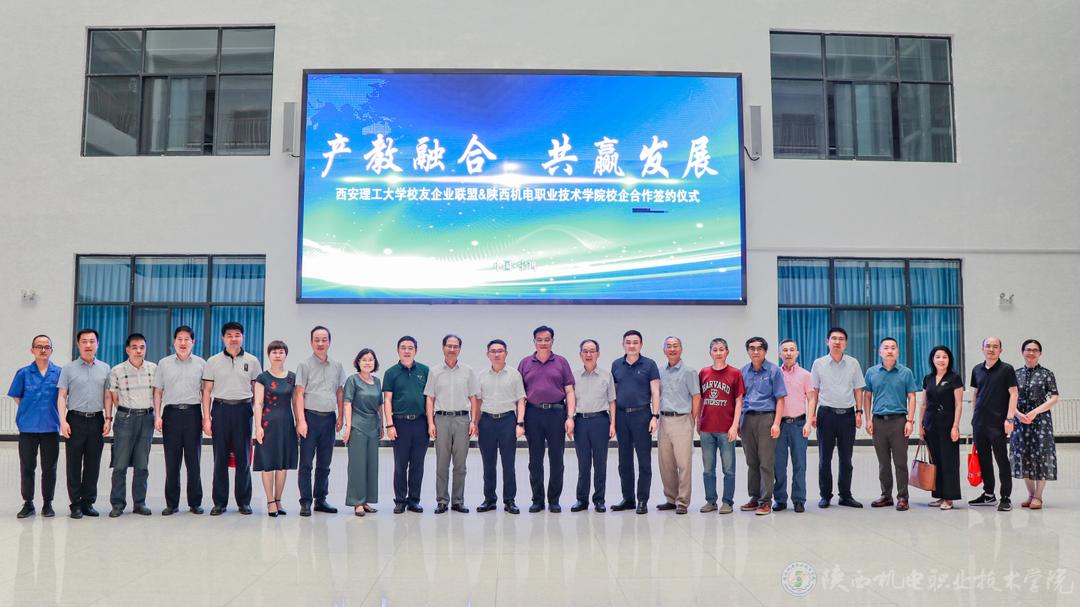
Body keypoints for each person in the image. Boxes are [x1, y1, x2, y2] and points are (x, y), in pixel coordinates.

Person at [202, 321, 261, 516]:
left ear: (243, 337)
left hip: (243, 411)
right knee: (220, 458)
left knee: (243, 458)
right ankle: (219, 503)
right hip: (220, 410)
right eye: (229, 335)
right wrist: (206, 418)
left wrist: (252, 410)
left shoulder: (252, 361)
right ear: (223, 338)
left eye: (237, 335)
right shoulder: (213, 361)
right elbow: (206, 391)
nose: (233, 338)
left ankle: (244, 502)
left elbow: (257, 391)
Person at [518, 325, 576, 513]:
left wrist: (570, 417)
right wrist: (520, 421)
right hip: (533, 414)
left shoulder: (561, 362)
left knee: (556, 459)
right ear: (534, 341)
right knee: (535, 460)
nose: (543, 343)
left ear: (552, 341)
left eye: (547, 339)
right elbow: (520, 395)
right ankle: (537, 500)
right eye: (539, 340)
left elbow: (569, 391)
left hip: (556, 413)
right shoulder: (525, 363)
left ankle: (554, 500)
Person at [153, 325, 207, 515]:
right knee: (172, 462)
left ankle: (195, 503)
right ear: (174, 342)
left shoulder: (201, 364)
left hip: (193, 414)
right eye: (179, 339)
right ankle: (172, 503)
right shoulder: (164, 364)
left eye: (187, 339)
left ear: (193, 342)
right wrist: (157, 415)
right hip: (171, 415)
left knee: (194, 462)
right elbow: (157, 391)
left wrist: (206, 417)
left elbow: (205, 393)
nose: (183, 343)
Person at [57, 329, 110, 519]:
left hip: (96, 420)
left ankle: (88, 502)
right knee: (73, 463)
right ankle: (75, 504)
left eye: (92, 341)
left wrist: (108, 418)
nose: (88, 345)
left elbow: (107, 395)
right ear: (78, 344)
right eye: (84, 341)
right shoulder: (68, 369)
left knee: (92, 464)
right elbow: (62, 396)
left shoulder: (105, 368)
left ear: (97, 344)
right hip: (75, 419)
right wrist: (63, 421)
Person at [810, 327, 865, 509]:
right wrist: (812, 415)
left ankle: (845, 495)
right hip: (825, 415)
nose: (837, 342)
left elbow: (858, 389)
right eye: (834, 338)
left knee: (846, 459)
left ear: (846, 343)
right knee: (824, 459)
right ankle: (825, 495)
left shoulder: (853, 363)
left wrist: (859, 412)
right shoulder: (818, 363)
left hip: (847, 416)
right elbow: (814, 392)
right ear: (827, 341)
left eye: (841, 339)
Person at [7, 335, 61, 518]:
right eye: (39, 346)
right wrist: (28, 410)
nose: (43, 350)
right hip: (28, 428)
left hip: (51, 427)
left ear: (51, 350)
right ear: (32, 350)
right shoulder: (23, 373)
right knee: (27, 467)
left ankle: (47, 503)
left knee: (49, 468)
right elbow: (17, 395)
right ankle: (28, 503)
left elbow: (63, 397)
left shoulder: (59, 373)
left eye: (47, 347)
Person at [294, 326, 346, 516]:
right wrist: (301, 421)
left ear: (329, 342)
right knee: (306, 463)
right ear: (311, 342)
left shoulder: (337, 366)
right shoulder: (304, 365)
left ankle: (320, 500)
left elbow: (339, 392)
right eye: (317, 340)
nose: (320, 343)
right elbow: (299, 394)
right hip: (310, 418)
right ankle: (305, 501)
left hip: (329, 419)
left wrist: (341, 416)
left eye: (324, 339)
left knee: (325, 463)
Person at [425, 334, 479, 513]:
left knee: (460, 464)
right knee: (442, 463)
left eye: (455, 346)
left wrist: (473, 421)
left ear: (459, 349)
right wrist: (431, 423)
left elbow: (473, 398)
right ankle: (442, 500)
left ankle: (457, 501)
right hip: (441, 419)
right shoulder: (434, 371)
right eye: (449, 346)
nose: (452, 349)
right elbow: (430, 398)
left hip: (462, 420)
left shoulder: (468, 371)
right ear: (443, 348)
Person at [862, 337, 918, 512]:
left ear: (898, 352)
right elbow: (867, 396)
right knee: (883, 463)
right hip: (878, 422)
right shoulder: (871, 372)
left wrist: (910, 421)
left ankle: (903, 497)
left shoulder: (906, 373)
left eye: (893, 347)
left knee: (900, 462)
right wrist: (868, 419)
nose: (889, 351)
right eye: (886, 348)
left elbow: (912, 396)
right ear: (880, 352)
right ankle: (886, 495)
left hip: (899, 422)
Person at [106, 333, 157, 517]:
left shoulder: (153, 369)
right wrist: (121, 413)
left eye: (142, 347)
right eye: (134, 347)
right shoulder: (117, 370)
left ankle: (140, 503)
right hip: (125, 418)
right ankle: (117, 504)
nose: (138, 351)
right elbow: (113, 396)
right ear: (127, 349)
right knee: (120, 464)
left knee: (142, 465)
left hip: (147, 419)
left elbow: (158, 394)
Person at [611, 330, 660, 515]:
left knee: (644, 461)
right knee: (624, 461)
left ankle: (642, 499)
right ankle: (628, 499)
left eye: (635, 342)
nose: (632, 346)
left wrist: (654, 416)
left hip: (642, 416)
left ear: (641, 344)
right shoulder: (616, 365)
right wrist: (613, 420)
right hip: (622, 416)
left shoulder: (649, 364)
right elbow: (614, 393)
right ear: (623, 344)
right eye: (628, 342)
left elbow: (655, 392)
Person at [474, 339, 526, 514]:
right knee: (488, 463)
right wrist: (475, 423)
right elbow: (478, 402)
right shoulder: (481, 376)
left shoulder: (514, 374)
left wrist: (520, 423)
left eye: (500, 351)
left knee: (508, 463)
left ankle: (509, 500)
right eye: (493, 351)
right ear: (488, 354)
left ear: (506, 353)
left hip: (507, 421)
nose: (497, 354)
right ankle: (489, 500)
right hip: (487, 422)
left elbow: (521, 400)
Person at [968, 336, 1019, 511]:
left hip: (998, 424)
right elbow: (976, 394)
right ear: (982, 349)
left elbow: (1014, 394)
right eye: (988, 346)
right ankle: (989, 495)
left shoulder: (1007, 369)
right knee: (984, 460)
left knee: (1002, 460)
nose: (991, 349)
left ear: (1000, 350)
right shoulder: (977, 369)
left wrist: (1010, 418)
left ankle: (1005, 497)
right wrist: (974, 416)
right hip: (979, 423)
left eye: (995, 346)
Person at [739, 337, 786, 516]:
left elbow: (780, 399)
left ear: (765, 351)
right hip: (747, 419)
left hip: (767, 418)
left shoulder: (774, 371)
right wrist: (738, 422)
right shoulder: (743, 371)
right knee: (752, 462)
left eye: (759, 348)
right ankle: (754, 497)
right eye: (752, 348)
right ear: (748, 351)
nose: (755, 351)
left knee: (766, 462)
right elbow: (740, 399)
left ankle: (765, 501)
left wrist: (776, 423)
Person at [383, 336, 429, 514]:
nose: (407, 351)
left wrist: (431, 423)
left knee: (417, 465)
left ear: (416, 350)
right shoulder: (391, 373)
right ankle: (400, 500)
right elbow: (387, 400)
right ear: (398, 350)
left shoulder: (424, 371)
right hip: (400, 423)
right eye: (403, 347)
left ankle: (414, 500)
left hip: (421, 423)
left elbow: (429, 399)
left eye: (410, 348)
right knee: (400, 464)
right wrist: (390, 425)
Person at [698, 338, 744, 515]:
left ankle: (727, 502)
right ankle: (710, 501)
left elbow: (739, 401)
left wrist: (734, 425)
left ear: (727, 352)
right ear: (710, 352)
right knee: (708, 470)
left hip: (726, 429)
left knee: (728, 469)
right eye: (715, 350)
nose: (718, 352)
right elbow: (700, 399)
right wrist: (698, 421)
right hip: (707, 429)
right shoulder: (704, 372)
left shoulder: (735, 373)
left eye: (721, 349)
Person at [253, 340, 299, 517]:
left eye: (281, 352)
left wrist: (298, 422)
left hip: (286, 424)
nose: (278, 355)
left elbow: (295, 403)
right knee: (268, 463)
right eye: (274, 352)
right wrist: (258, 426)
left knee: (282, 465)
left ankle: (278, 499)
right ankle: (270, 500)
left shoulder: (292, 377)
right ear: (269, 355)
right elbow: (258, 403)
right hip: (268, 424)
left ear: (285, 355)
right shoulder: (263, 378)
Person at [1011, 339, 1059, 509]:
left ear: (1040, 353)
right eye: (1028, 349)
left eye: (1035, 350)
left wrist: (1034, 412)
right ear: (1022, 352)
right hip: (1020, 420)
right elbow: (1009, 398)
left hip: (1041, 421)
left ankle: (1038, 496)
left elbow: (1054, 397)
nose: (1031, 353)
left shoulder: (1047, 374)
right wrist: (1018, 414)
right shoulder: (1015, 374)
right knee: (1024, 455)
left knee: (1041, 456)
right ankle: (1030, 495)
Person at [656, 337, 701, 515]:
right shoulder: (659, 372)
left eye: (675, 346)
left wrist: (692, 419)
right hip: (664, 420)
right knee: (665, 463)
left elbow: (696, 397)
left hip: (682, 419)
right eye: (668, 346)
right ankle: (670, 498)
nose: (672, 349)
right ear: (664, 350)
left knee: (683, 463)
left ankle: (682, 501)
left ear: (681, 349)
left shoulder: (689, 372)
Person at [571, 339, 616, 513]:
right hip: (580, 422)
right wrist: (570, 420)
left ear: (598, 354)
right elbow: (570, 401)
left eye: (592, 351)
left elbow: (612, 401)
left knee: (600, 463)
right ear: (580, 354)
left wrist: (613, 424)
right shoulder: (573, 376)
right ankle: (581, 500)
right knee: (583, 463)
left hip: (600, 421)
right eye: (585, 351)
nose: (588, 354)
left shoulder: (606, 375)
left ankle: (599, 500)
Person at [917, 345, 963, 510]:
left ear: (949, 359)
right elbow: (924, 404)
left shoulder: (954, 378)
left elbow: (958, 404)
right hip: (931, 424)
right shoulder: (928, 378)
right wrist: (921, 426)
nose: (941, 360)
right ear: (932, 359)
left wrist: (955, 426)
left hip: (947, 424)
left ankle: (949, 497)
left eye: (944, 357)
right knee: (935, 461)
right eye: (938, 357)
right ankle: (939, 495)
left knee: (949, 461)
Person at [774, 339, 815, 513]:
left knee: (800, 464)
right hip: (780, 425)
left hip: (799, 424)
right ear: (780, 354)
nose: (788, 353)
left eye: (792, 350)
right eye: (785, 350)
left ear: (797, 353)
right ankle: (780, 499)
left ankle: (799, 499)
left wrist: (809, 422)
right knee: (779, 464)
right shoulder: (775, 374)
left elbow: (812, 399)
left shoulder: (805, 375)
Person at [343, 349, 383, 516]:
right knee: (357, 466)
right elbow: (347, 403)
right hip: (358, 427)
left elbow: (380, 405)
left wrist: (382, 425)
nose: (367, 362)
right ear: (358, 362)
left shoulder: (377, 381)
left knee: (371, 466)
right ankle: (357, 502)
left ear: (375, 363)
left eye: (371, 360)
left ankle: (366, 500)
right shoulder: (353, 380)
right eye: (364, 359)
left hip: (373, 427)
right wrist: (348, 427)